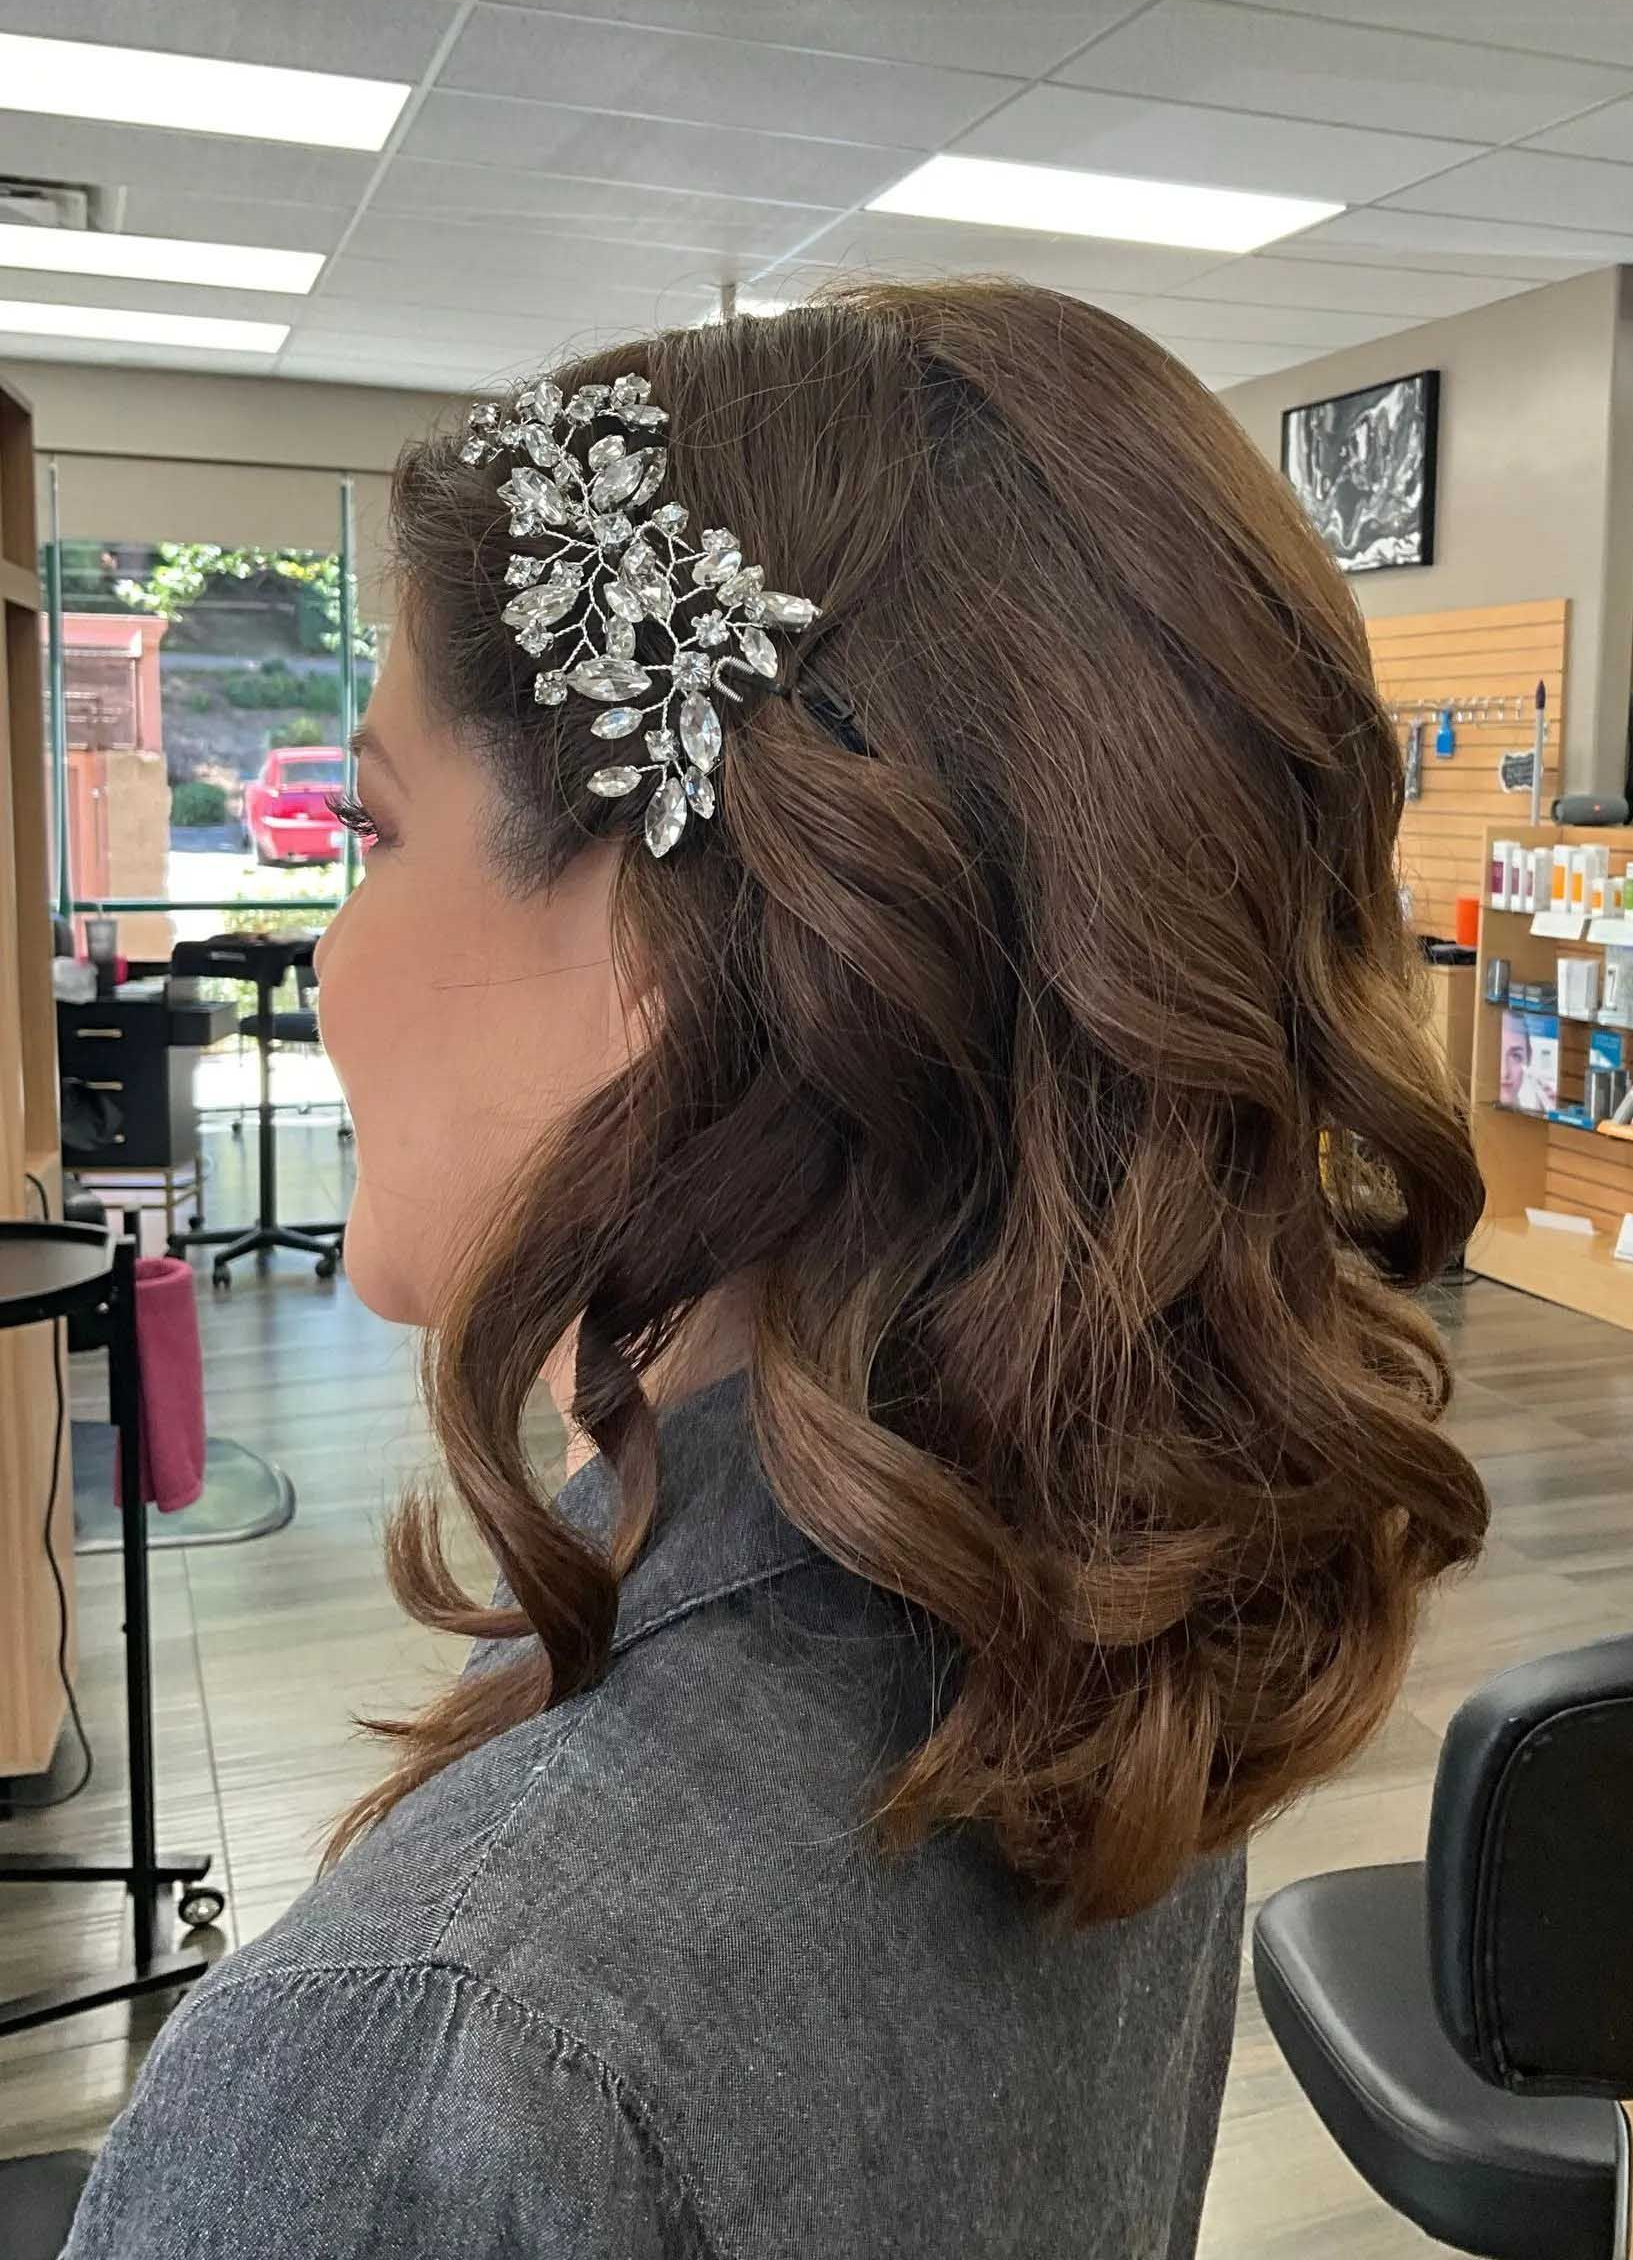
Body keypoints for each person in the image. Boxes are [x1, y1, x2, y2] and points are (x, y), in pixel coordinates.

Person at [61, 280, 1489, 2257]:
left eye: (374, 835)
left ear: (666, 938)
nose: (331, 956)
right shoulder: (1125, 1637)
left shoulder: (430, 2063)